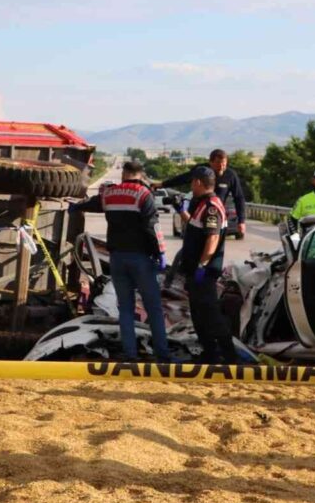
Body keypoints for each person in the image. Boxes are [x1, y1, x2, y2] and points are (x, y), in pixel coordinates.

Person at [69, 161, 171, 362]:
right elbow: (153, 227)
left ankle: (130, 355)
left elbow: (93, 204)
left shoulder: (110, 194)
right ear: (140, 175)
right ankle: (162, 355)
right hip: (141, 258)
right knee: (153, 307)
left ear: (124, 174)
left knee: (125, 308)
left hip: (117, 258)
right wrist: (161, 253)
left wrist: (76, 207)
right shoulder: (143, 195)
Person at [179, 166, 239, 364]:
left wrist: (202, 265)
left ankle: (230, 357)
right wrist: (180, 211)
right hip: (196, 272)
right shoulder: (203, 204)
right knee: (199, 316)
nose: (191, 186)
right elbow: (197, 228)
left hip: (204, 273)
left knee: (211, 316)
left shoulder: (212, 206)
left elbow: (212, 239)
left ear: (197, 182)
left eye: (192, 182)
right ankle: (210, 354)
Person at [158, 149, 246, 238]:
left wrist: (241, 221)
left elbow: (239, 198)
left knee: (213, 240)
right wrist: (162, 184)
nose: (221, 166)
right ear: (210, 162)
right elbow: (183, 178)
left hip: (215, 214)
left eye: (224, 163)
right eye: (218, 163)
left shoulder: (230, 175)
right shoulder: (202, 171)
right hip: (197, 213)